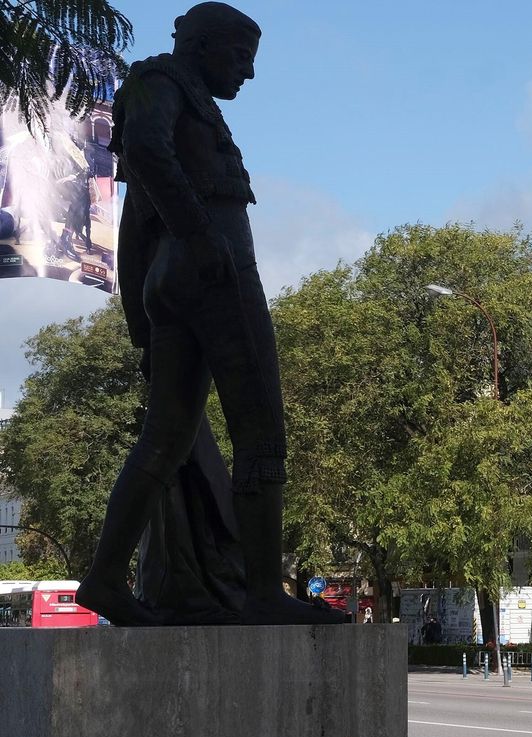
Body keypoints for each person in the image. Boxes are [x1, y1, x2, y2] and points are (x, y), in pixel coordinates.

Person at [78, 2, 342, 627]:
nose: (247, 73)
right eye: (241, 57)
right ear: (201, 46)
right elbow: (143, 150)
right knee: (261, 430)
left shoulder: (185, 93)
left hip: (180, 278)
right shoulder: (161, 81)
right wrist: (200, 235)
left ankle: (105, 580)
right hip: (214, 274)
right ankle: (260, 594)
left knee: (167, 437)